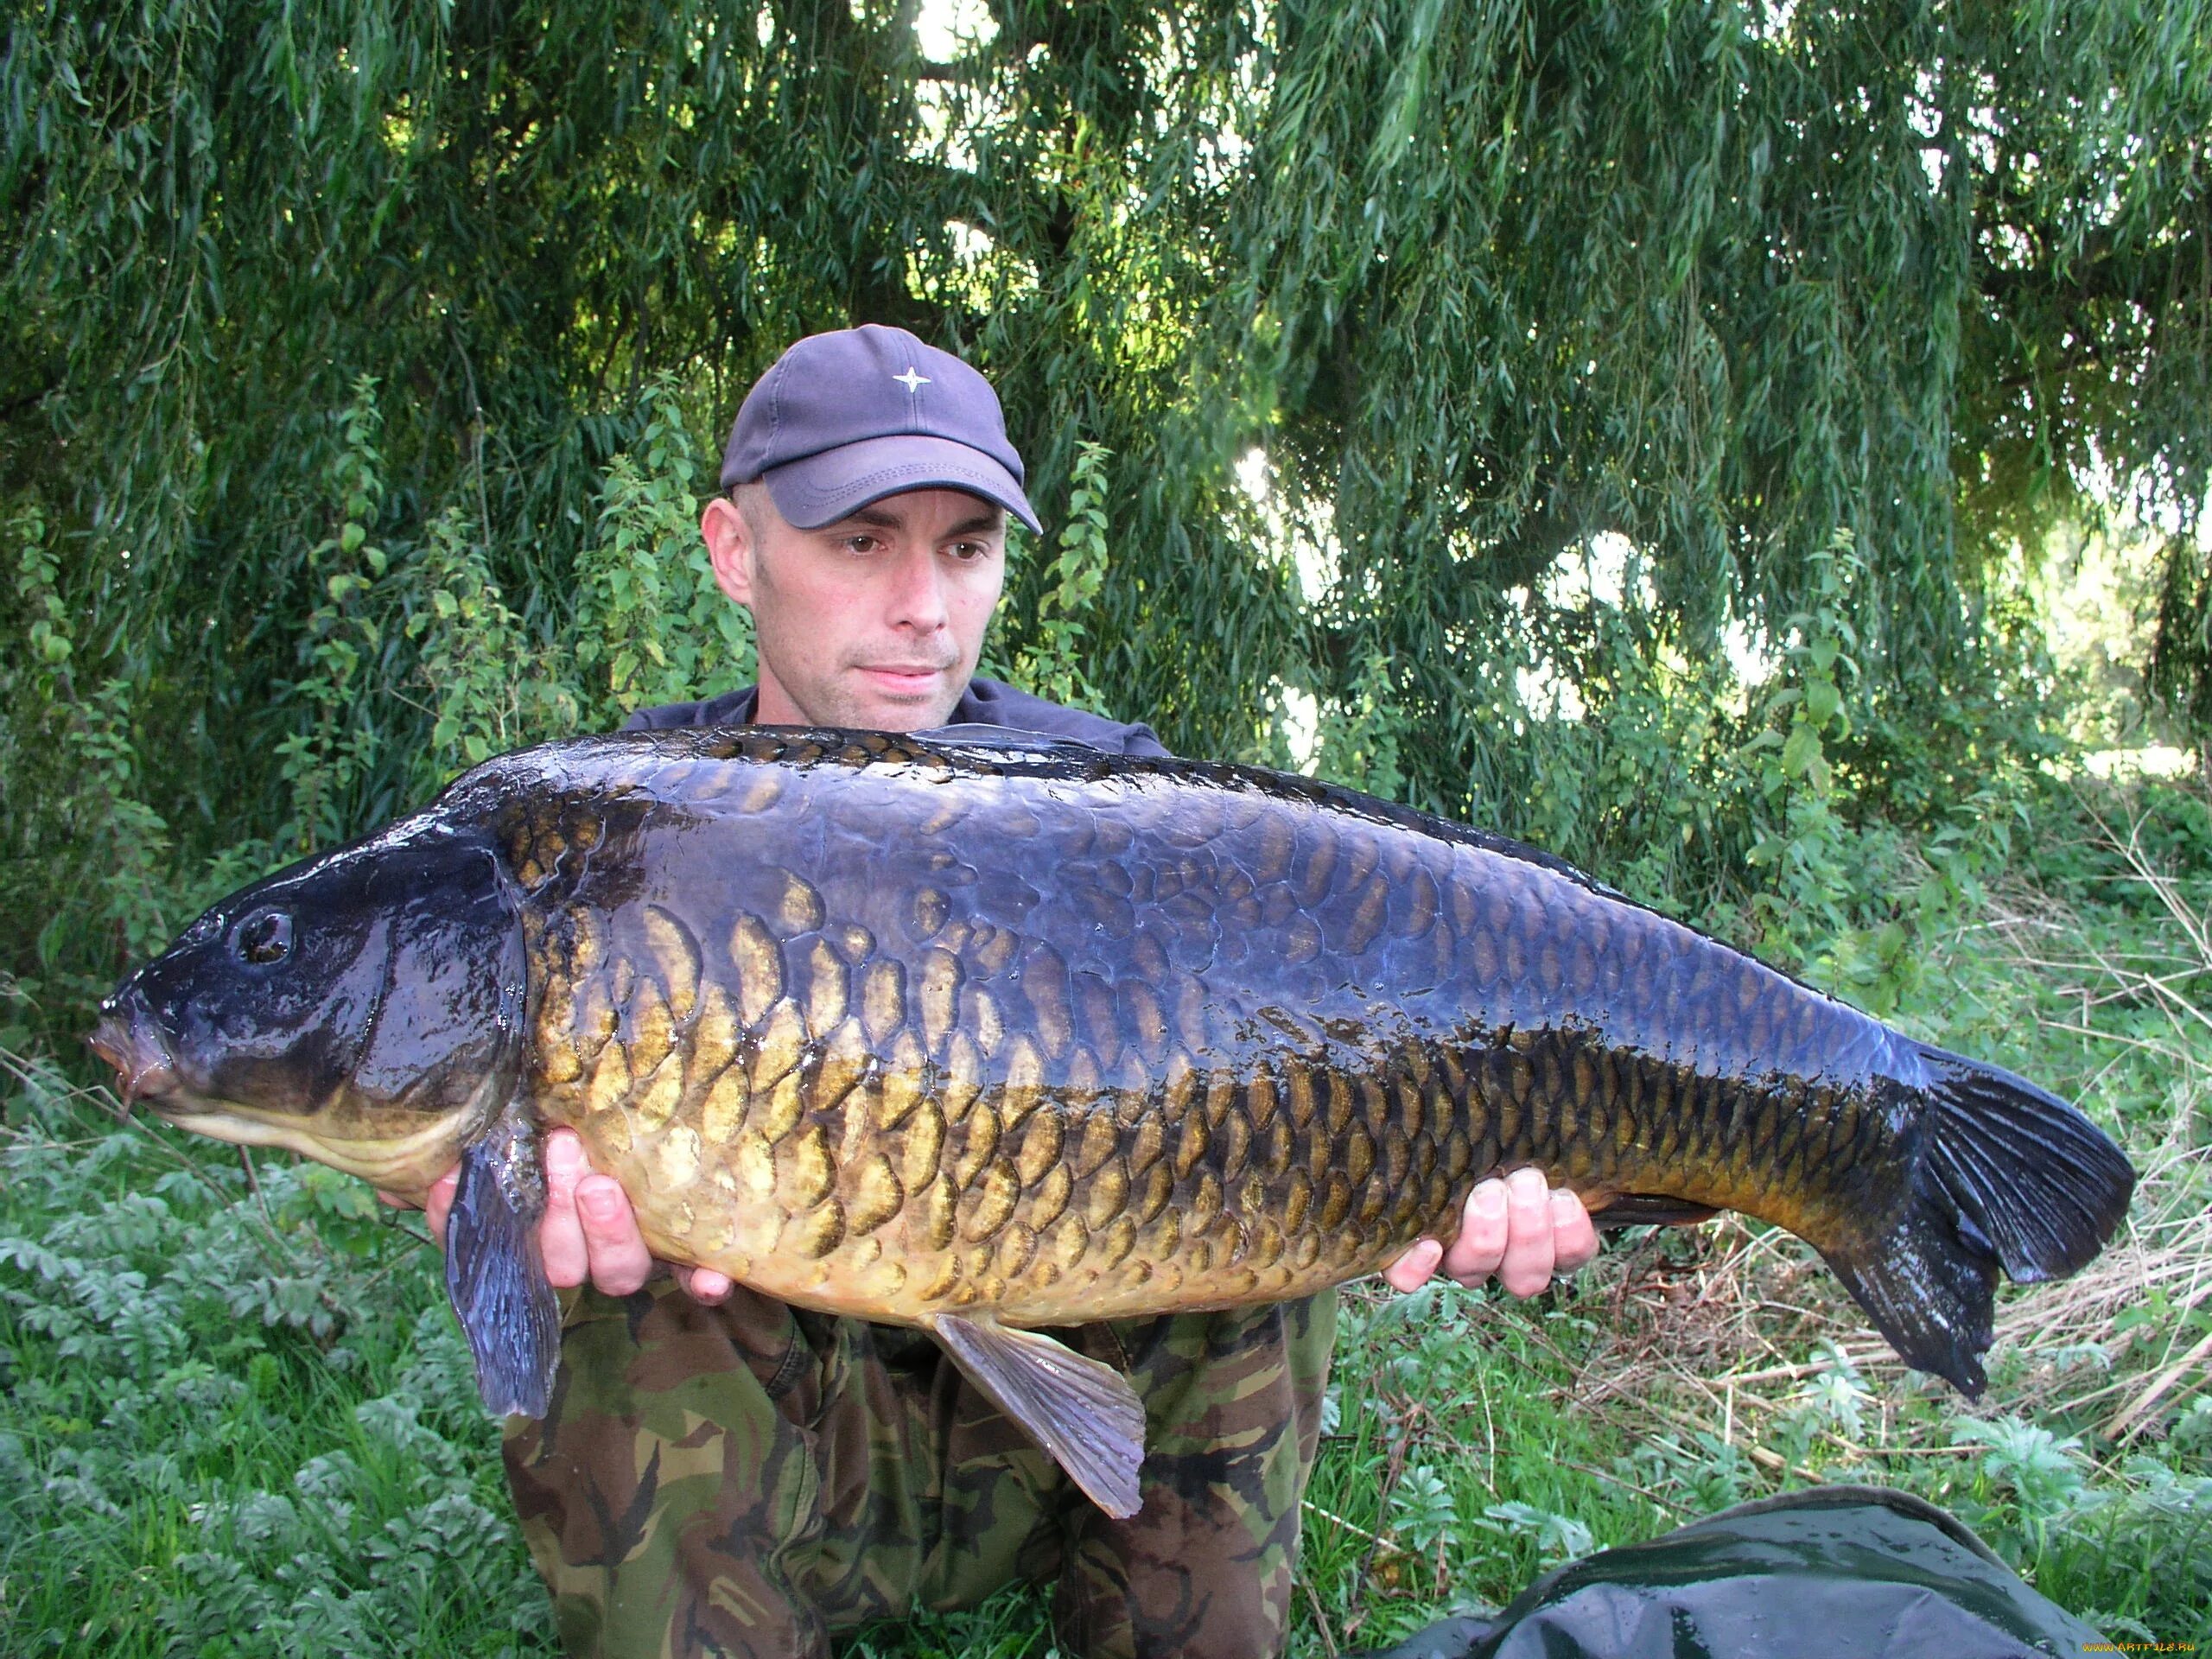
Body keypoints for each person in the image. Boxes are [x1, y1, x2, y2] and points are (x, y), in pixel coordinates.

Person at [396, 325, 1600, 1657]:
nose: (925, 604)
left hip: (1062, 1432)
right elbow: (418, 1073)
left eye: (966, 546)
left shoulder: (1123, 813)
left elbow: (1372, 1022)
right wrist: (438, 1170)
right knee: (620, 1275)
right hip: (785, 1452)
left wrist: (1477, 1162)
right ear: (735, 550)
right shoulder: (616, 838)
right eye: (863, 541)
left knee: (1248, 1195)